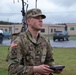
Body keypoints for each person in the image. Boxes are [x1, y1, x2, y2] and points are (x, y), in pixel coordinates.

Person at [7, 8, 63, 75]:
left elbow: (49, 61)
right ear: (28, 21)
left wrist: (53, 68)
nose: (41, 20)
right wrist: (34, 69)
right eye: (37, 18)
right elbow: (12, 69)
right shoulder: (19, 41)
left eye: (41, 18)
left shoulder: (45, 40)